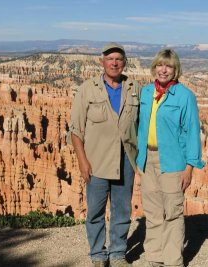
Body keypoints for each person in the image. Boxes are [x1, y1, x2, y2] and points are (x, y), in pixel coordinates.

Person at [68, 42, 140, 267]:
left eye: (119, 59)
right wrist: (82, 161)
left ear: (124, 63)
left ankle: (118, 254)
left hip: (126, 160)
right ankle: (98, 255)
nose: (114, 63)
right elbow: (75, 130)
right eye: (110, 59)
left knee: (122, 210)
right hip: (96, 161)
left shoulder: (134, 88)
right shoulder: (87, 89)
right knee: (96, 211)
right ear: (102, 62)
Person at [136, 49, 205, 267]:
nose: (163, 70)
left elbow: (192, 132)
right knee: (153, 213)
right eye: (160, 65)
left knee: (173, 214)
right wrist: (138, 159)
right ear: (154, 67)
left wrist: (189, 167)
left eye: (169, 66)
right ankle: (155, 259)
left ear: (176, 70)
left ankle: (173, 261)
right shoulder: (146, 93)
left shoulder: (185, 96)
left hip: (173, 162)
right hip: (147, 159)